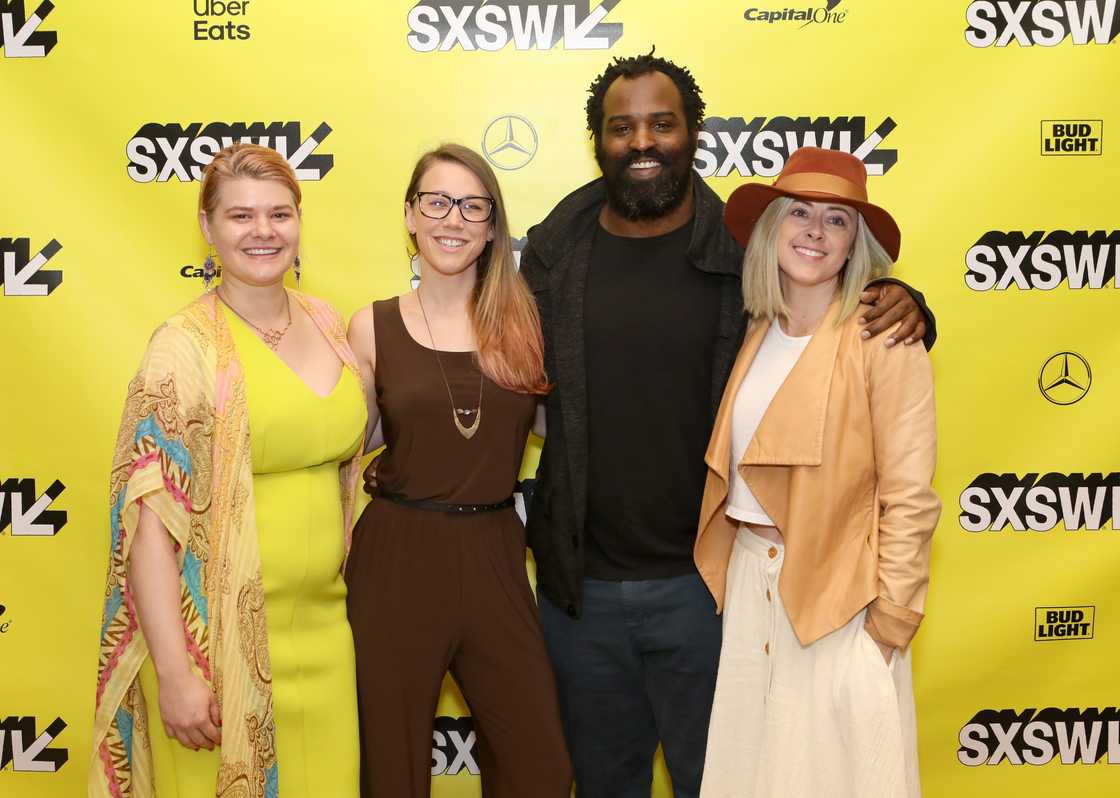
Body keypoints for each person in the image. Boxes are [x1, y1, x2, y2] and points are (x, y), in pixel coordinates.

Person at [517, 52, 936, 797]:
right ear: (599, 141)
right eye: (622, 127)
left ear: (694, 134)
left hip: (710, 590)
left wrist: (906, 303)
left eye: (661, 123)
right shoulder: (552, 256)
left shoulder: (746, 251)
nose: (642, 141)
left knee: (734, 782)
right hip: (582, 595)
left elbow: (833, 301)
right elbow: (488, 353)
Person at [90, 143, 367, 797]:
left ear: (299, 222)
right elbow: (147, 526)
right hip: (215, 653)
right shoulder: (181, 348)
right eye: (241, 216)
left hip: (326, 640)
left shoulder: (329, 324)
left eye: (279, 213)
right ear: (208, 228)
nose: (263, 231)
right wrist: (174, 672)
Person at [695, 147, 940, 798]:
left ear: (854, 244)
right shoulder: (756, 331)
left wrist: (887, 627)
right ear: (772, 227)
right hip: (752, 588)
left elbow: (910, 496)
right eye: (799, 212)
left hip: (840, 600)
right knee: (752, 777)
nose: (814, 230)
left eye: (837, 220)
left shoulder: (886, 336)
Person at [344, 143, 571, 798]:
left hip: (495, 550)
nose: (454, 219)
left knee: (540, 769)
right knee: (389, 769)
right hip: (396, 554)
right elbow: (346, 448)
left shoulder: (525, 325)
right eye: (437, 202)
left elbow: (571, 436)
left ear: (493, 226)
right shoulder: (370, 328)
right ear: (411, 216)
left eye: (474, 206)